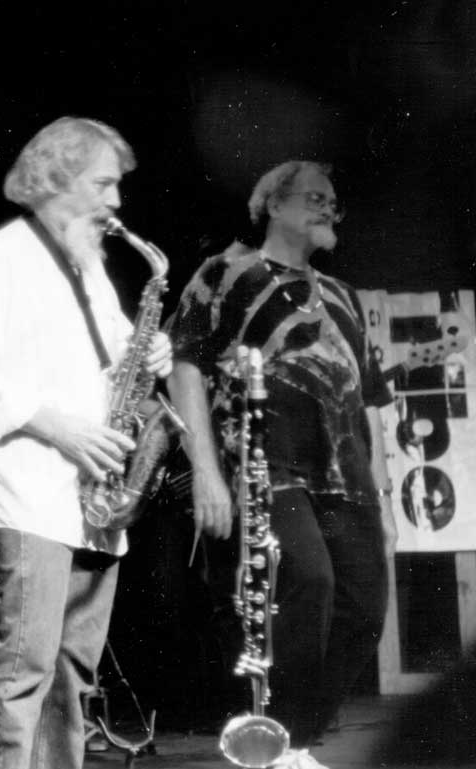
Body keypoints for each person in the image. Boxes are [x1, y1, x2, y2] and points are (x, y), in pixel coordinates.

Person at [0, 117, 173, 769]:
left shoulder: (90, 268)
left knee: (73, 673)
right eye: (104, 184)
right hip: (37, 489)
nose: (117, 201)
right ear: (57, 179)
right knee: (26, 668)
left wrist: (149, 350)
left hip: (96, 494)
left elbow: (110, 359)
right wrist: (61, 426)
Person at [167, 160, 396, 769]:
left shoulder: (343, 295)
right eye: (316, 198)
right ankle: (282, 745)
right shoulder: (225, 273)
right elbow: (185, 366)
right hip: (267, 467)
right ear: (273, 203)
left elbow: (370, 400)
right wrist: (208, 473)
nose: (329, 210)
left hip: (347, 478)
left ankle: (291, 739)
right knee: (309, 583)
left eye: (334, 202)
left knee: (366, 609)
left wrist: (385, 500)